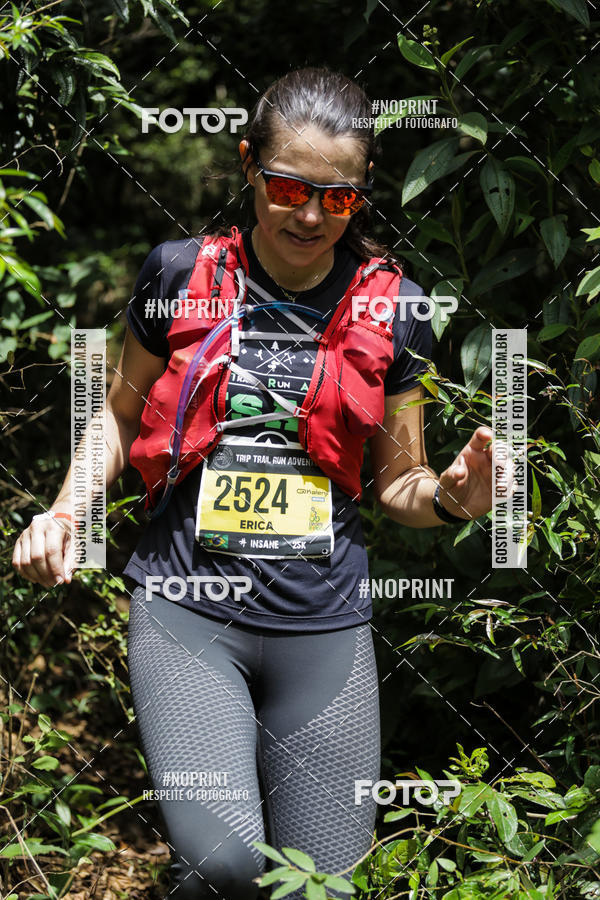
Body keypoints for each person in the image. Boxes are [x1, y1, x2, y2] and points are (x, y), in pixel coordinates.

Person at [12, 67, 493, 900]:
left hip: (323, 627)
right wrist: (64, 511)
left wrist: (453, 496)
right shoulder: (178, 275)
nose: (308, 216)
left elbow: (398, 486)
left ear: (360, 197)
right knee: (221, 870)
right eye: (287, 188)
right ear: (249, 169)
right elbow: (121, 417)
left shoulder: (398, 309)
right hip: (188, 613)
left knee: (325, 889)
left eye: (335, 199)